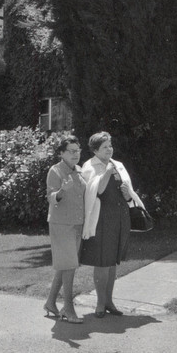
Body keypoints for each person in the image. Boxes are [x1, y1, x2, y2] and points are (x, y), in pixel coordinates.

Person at [80, 131, 145, 318]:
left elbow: (127, 192)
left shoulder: (118, 165)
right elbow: (95, 191)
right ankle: (100, 303)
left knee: (113, 261)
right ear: (95, 150)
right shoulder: (89, 166)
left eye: (110, 145)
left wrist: (127, 194)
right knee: (102, 260)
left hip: (120, 217)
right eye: (105, 147)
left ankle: (109, 301)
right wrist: (107, 172)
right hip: (101, 218)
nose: (110, 149)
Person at [44, 136, 86, 324]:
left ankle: (50, 303)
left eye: (77, 150)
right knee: (69, 265)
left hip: (77, 224)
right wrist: (62, 191)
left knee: (66, 265)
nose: (75, 154)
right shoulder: (55, 170)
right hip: (61, 225)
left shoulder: (79, 170)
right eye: (71, 151)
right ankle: (68, 309)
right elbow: (51, 197)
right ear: (61, 153)